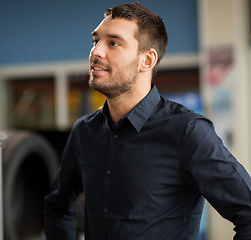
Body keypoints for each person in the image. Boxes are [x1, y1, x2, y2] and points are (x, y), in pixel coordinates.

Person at [44, 2, 251, 240]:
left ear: (147, 60)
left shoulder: (187, 131)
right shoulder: (85, 131)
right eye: (95, 41)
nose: (96, 52)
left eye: (113, 43)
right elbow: (57, 207)